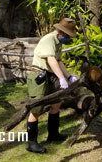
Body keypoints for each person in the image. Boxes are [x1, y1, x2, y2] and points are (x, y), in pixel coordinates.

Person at [25, 17, 79, 154]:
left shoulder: (58, 43)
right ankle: (31, 143)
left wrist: (68, 76)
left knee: (56, 104)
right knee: (36, 109)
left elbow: (59, 61)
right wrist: (61, 78)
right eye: (66, 35)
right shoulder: (49, 39)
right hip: (38, 76)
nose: (67, 38)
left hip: (50, 75)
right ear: (60, 32)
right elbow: (51, 59)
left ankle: (53, 134)